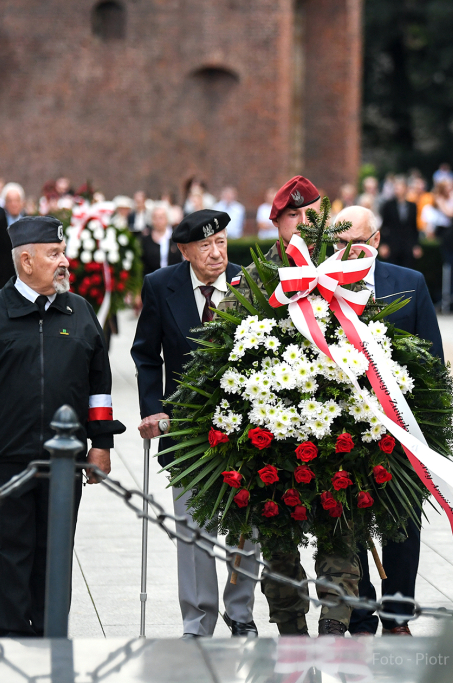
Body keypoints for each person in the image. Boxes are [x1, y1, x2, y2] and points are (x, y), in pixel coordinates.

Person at [0, 215, 125, 638]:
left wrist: (101, 443)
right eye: (54, 254)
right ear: (25, 261)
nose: (65, 262)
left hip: (63, 464)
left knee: (55, 557)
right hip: (5, 459)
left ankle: (50, 641)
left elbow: (99, 385)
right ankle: (9, 647)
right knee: (8, 557)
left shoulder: (79, 311)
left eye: (63, 252)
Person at [131, 210, 259, 639]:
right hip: (185, 430)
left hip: (246, 430)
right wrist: (153, 407)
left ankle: (240, 613)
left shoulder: (250, 283)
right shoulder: (160, 285)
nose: (216, 252)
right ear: (184, 250)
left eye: (221, 242)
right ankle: (198, 620)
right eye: (205, 245)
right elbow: (147, 355)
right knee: (193, 528)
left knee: (246, 528)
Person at [333, 206, 443, 637]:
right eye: (336, 243)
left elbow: (432, 355)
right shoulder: (324, 286)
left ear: (375, 241)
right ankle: (360, 615)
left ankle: (398, 617)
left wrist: (430, 425)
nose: (343, 252)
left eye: (353, 243)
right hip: (344, 427)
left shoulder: (409, 283)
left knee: (402, 522)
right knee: (348, 521)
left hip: (402, 425)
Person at [0, 183, 25, 295]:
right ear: (5, 204)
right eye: (10, 201)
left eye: (17, 200)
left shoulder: (29, 224)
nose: (14, 204)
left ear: (22, 202)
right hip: (2, 280)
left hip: (25, 280)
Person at [378, 177, 420, 269]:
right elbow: (384, 226)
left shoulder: (413, 206)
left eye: (400, 187)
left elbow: (414, 227)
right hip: (393, 245)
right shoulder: (388, 205)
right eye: (396, 187)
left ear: (405, 188)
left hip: (407, 246)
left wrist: (416, 245)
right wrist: (384, 244)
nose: (397, 190)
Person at [138, 203, 181, 275]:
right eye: (155, 217)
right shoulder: (145, 240)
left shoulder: (176, 238)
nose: (158, 221)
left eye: (161, 217)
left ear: (167, 218)